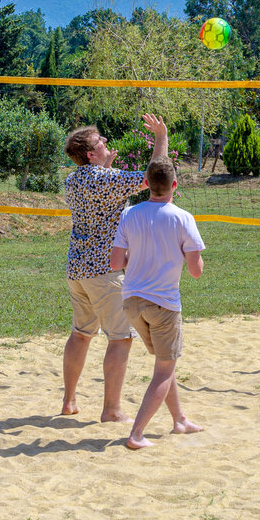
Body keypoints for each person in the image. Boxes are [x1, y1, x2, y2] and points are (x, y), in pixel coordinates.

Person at [61, 113, 168, 421]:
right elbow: (154, 177)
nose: (105, 140)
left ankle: (69, 401)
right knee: (120, 338)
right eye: (99, 141)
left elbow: (99, 197)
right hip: (103, 273)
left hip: (77, 270)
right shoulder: (106, 180)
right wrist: (160, 138)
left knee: (81, 334)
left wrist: (104, 169)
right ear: (91, 154)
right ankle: (112, 410)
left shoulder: (72, 180)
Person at [110, 159, 206, 449]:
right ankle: (137, 434)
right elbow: (196, 270)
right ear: (174, 185)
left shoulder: (129, 214)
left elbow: (116, 262)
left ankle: (179, 419)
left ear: (147, 185)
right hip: (163, 303)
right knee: (164, 369)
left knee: (165, 361)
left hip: (132, 301)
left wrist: (139, 261)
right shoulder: (183, 218)